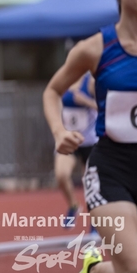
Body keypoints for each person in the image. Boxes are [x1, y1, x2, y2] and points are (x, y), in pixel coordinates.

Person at [42, 0, 137, 273]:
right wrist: (59, 131)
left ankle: (94, 271)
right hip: (112, 169)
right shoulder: (95, 48)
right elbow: (52, 91)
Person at [56, 72, 97, 227]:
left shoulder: (91, 81)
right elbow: (54, 100)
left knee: (90, 184)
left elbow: (104, 107)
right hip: (70, 139)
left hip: (90, 141)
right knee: (61, 174)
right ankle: (73, 205)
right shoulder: (65, 78)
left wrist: (86, 101)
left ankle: (95, 221)